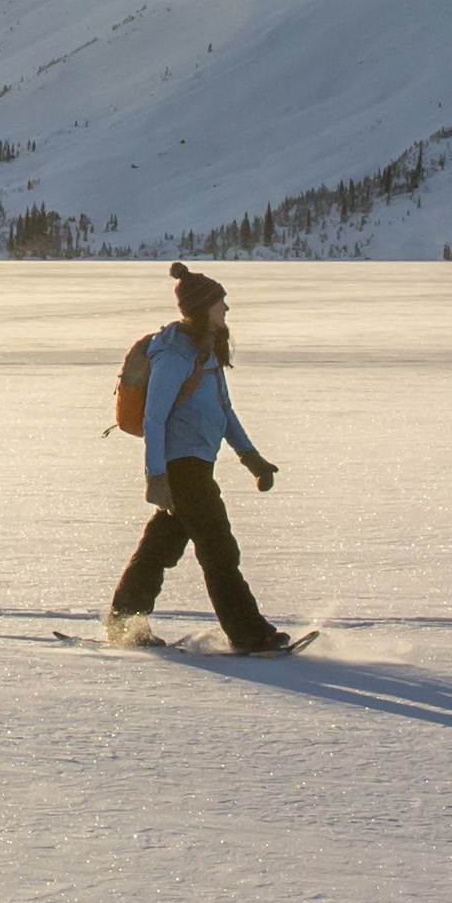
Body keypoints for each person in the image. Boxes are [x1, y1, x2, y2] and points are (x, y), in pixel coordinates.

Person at [106, 260, 301, 654]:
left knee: (159, 549)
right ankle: (249, 633)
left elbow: (224, 412)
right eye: (220, 303)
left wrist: (252, 459)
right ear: (202, 308)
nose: (226, 309)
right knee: (218, 549)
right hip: (181, 470)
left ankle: (124, 621)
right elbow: (154, 417)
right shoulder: (174, 355)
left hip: (196, 466)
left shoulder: (206, 351)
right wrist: (156, 476)